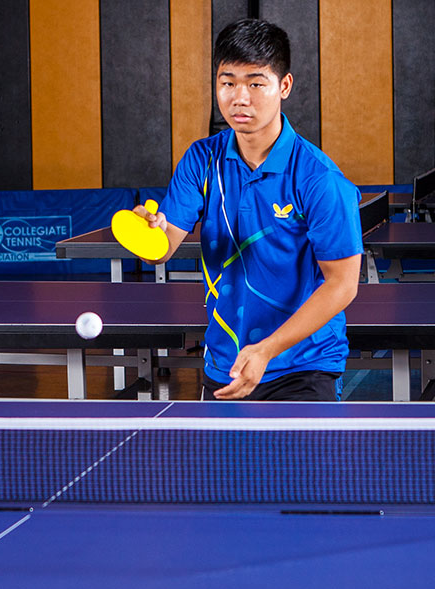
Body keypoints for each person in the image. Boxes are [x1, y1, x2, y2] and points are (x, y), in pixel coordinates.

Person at [134, 18, 363, 401]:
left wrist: (267, 349)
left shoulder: (318, 178)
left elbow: (343, 284)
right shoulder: (201, 160)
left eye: (256, 83)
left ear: (283, 86)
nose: (240, 98)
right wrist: (147, 232)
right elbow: (162, 248)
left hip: (302, 366)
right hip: (225, 364)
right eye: (228, 83)